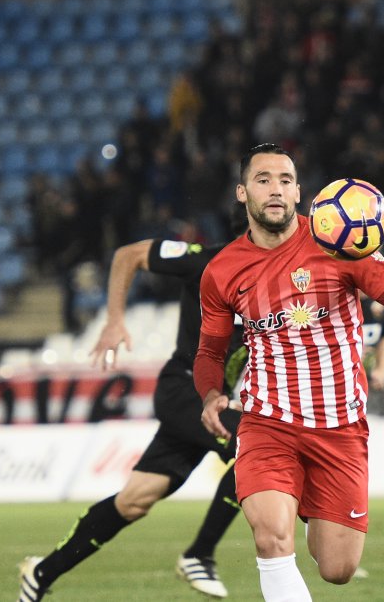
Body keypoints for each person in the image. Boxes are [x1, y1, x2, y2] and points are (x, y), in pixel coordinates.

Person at [194, 144, 384, 601]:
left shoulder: (339, 244)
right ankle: (284, 509)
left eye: (286, 180)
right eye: (263, 180)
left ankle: (305, 504)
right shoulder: (222, 271)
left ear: (300, 192)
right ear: (243, 193)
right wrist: (210, 393)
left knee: (337, 568)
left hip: (339, 427)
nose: (276, 189)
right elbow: (209, 348)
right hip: (268, 422)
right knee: (271, 537)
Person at [18, 208, 251, 602]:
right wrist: (113, 320)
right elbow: (129, 255)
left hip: (210, 401)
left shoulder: (274, 282)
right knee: (256, 445)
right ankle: (200, 554)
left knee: (135, 499)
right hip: (184, 392)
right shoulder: (203, 259)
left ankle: (42, 572)